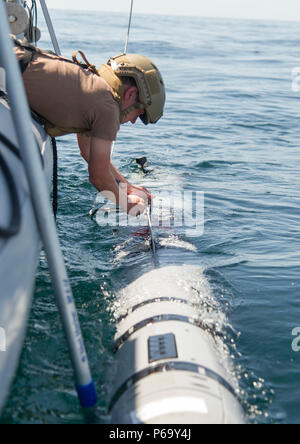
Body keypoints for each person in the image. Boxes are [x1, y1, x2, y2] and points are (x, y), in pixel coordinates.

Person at [13, 38, 166, 216]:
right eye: (138, 114)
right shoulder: (108, 108)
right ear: (130, 95)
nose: (132, 121)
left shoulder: (93, 88)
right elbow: (98, 176)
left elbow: (87, 152)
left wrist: (127, 187)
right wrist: (128, 205)